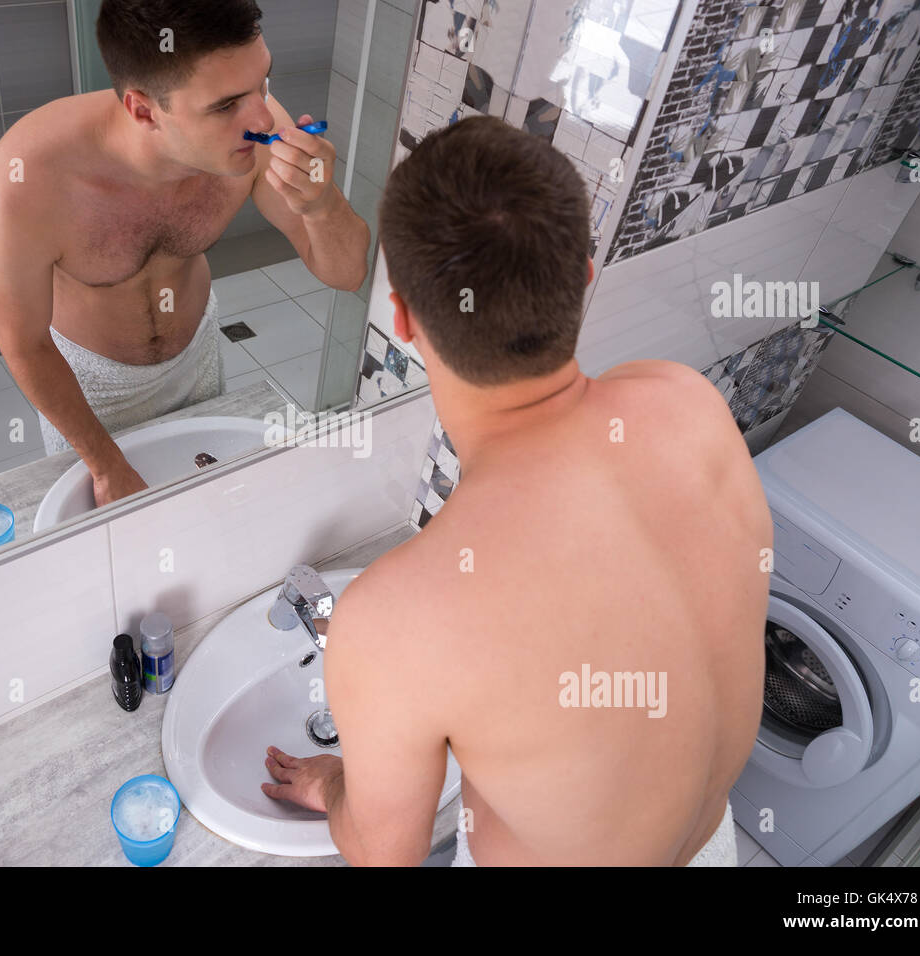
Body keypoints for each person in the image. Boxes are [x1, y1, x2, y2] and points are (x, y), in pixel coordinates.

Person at [261, 115, 771, 866]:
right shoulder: (686, 403)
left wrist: (341, 788)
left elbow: (384, 853)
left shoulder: (400, 617)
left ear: (400, 317)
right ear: (584, 279)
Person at [0, 0, 369, 508]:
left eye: (263, 82)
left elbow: (347, 273)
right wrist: (104, 462)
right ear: (143, 110)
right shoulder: (27, 181)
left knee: (211, 516)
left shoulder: (257, 136)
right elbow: (24, 345)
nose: (264, 119)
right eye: (226, 105)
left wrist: (322, 204)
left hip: (197, 356)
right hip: (91, 386)